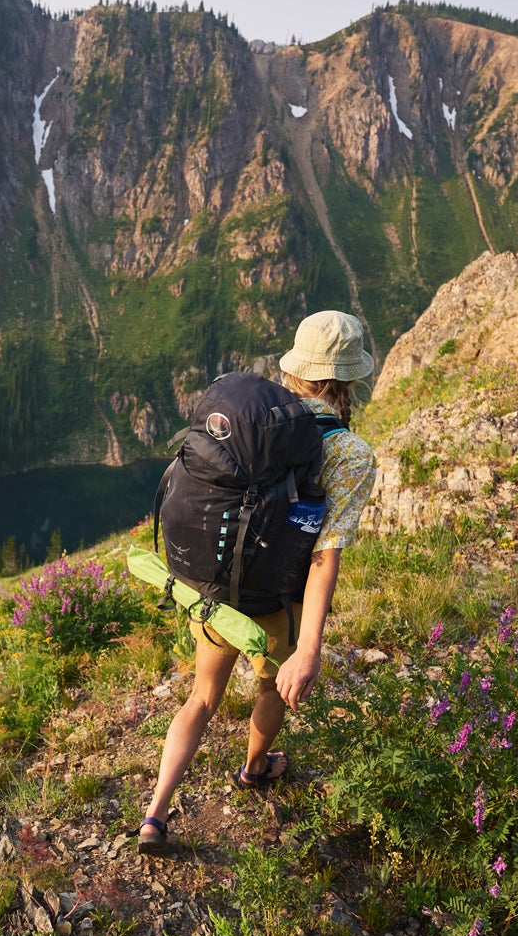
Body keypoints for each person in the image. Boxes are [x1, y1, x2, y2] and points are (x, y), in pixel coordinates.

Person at [138, 311, 379, 854]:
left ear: (297, 367)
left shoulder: (258, 420)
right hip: (274, 604)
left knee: (201, 697)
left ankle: (154, 814)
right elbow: (324, 557)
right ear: (348, 379)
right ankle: (254, 768)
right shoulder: (350, 453)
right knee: (272, 687)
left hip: (214, 591)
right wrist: (309, 650)